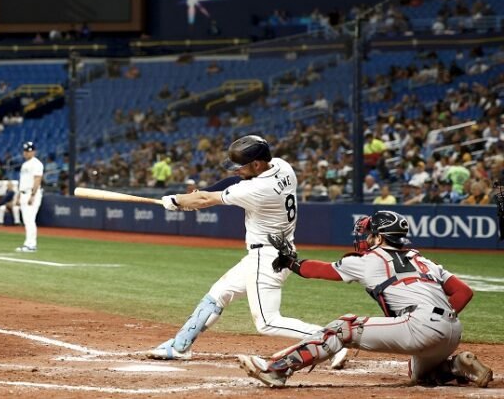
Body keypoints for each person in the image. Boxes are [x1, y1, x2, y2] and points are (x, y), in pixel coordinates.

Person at [148, 135, 348, 370]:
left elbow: (206, 200)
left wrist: (177, 201)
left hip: (267, 258)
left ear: (257, 165)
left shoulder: (259, 189)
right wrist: (191, 197)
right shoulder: (283, 166)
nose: (237, 170)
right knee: (218, 294)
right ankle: (180, 346)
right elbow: (228, 184)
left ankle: (329, 338)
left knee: (267, 322)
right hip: (271, 253)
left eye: (241, 166)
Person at [238, 211, 493, 388]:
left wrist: (291, 262)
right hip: (451, 332)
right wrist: (441, 320)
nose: (366, 238)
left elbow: (317, 270)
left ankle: (277, 370)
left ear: (380, 238)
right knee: (421, 376)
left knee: (342, 327)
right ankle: (458, 365)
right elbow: (464, 292)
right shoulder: (422, 260)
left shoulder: (370, 259)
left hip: (421, 326)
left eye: (370, 234)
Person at [15, 142, 44, 252]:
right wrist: (18, 196)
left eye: (29, 150)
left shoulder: (37, 164)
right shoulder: (25, 164)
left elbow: (37, 179)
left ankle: (31, 244)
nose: (26, 153)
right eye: (25, 151)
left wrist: (33, 195)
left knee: (30, 220)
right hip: (23, 193)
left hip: (31, 193)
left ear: (34, 151)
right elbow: (22, 182)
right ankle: (28, 243)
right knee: (27, 220)